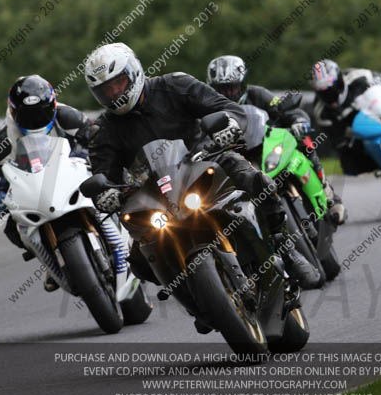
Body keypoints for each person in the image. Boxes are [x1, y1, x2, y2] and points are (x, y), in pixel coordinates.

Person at [83, 43, 321, 295]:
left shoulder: (175, 85)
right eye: (106, 90)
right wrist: (105, 195)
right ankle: (191, 294)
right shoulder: (103, 129)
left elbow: (228, 107)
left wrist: (229, 124)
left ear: (134, 72)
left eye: (118, 83)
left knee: (254, 178)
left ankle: (285, 248)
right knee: (139, 261)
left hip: (203, 162)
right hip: (153, 194)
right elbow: (102, 176)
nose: (115, 92)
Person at [0, 75, 112, 292]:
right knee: (10, 225)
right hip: (36, 189)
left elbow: (97, 138)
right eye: (27, 116)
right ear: (14, 113)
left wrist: (89, 156)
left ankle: (129, 234)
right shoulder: (4, 139)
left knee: (109, 187)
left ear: (52, 106)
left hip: (75, 174)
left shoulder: (68, 116)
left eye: (40, 113)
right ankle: (50, 256)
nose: (35, 120)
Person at [206, 55, 347, 224]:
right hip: (235, 159)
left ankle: (327, 191)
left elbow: (284, 110)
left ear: (242, 84)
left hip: (265, 145)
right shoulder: (207, 107)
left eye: (232, 88)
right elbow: (199, 136)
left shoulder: (258, 94)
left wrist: (298, 120)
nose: (228, 94)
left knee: (302, 140)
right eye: (222, 89)